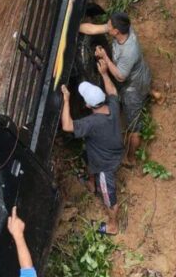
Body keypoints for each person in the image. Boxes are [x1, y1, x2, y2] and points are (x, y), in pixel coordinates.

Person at [79, 12, 152, 167]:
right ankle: (155, 94)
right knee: (141, 86)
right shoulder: (124, 28)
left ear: (116, 32)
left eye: (110, 26)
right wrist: (74, 28)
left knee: (134, 127)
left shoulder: (129, 51)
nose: (107, 26)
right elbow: (93, 29)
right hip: (140, 73)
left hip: (133, 87)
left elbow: (120, 77)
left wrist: (105, 57)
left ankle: (131, 159)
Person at [61, 59, 123, 235]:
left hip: (106, 165)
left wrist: (66, 100)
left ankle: (113, 226)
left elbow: (67, 126)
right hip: (109, 150)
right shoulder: (112, 106)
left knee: (109, 198)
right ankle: (91, 184)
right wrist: (104, 74)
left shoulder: (92, 123)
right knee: (87, 157)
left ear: (88, 105)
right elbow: (113, 91)